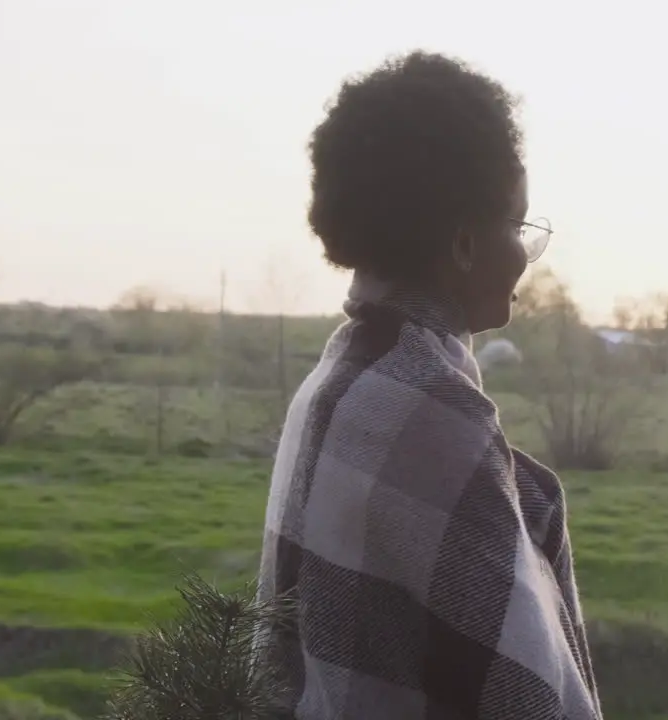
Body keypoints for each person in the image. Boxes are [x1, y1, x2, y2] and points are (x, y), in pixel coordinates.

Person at [256, 51, 602, 719]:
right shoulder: (429, 415)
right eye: (519, 226)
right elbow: (529, 699)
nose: (526, 255)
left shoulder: (339, 378)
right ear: (466, 244)